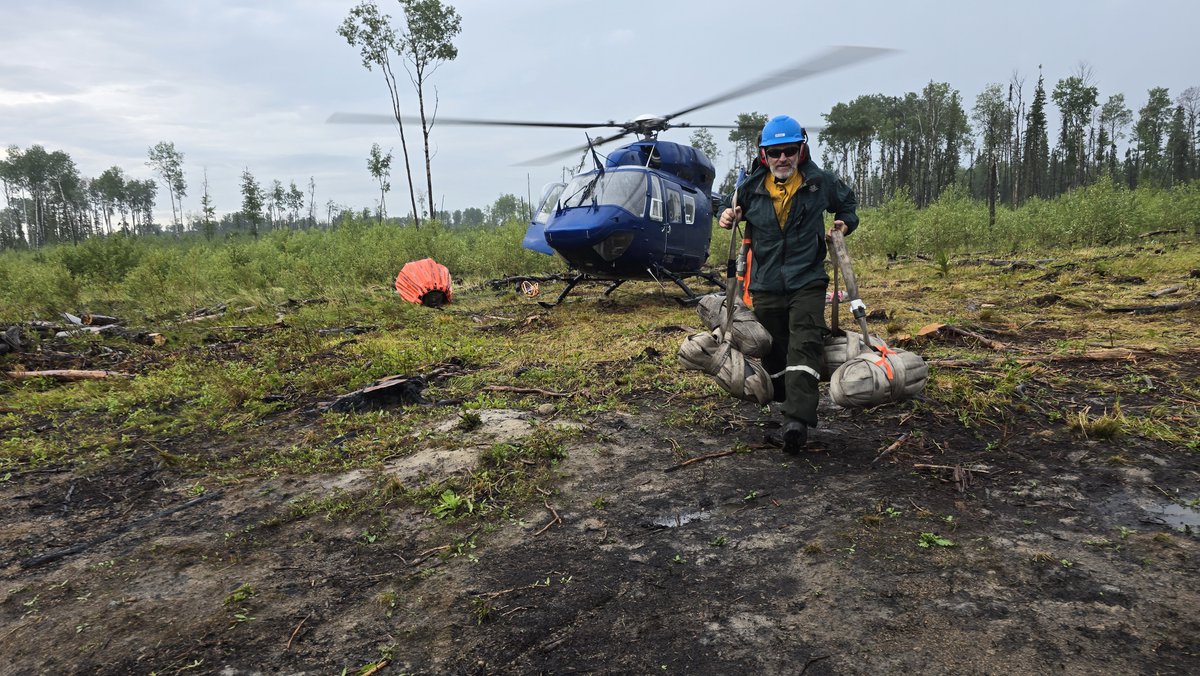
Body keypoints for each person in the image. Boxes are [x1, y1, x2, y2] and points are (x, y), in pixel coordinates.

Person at [718, 115, 858, 454]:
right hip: (765, 284)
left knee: (805, 341)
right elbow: (729, 208)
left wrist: (843, 223)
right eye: (775, 152)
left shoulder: (818, 182)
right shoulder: (750, 188)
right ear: (764, 154)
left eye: (790, 151)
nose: (783, 158)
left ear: (801, 150)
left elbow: (848, 204)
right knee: (774, 347)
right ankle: (782, 401)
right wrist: (726, 215)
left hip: (807, 278)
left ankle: (797, 420)